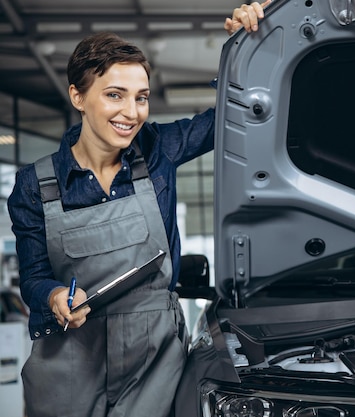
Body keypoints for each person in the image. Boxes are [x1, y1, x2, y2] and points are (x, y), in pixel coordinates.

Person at [7, 2, 269, 417]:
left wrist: (255, 44)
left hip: (155, 357)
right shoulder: (34, 185)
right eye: (115, 95)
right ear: (77, 95)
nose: (132, 113)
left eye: (141, 97)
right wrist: (55, 296)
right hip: (71, 356)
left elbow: (231, 117)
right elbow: (35, 277)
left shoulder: (158, 149)